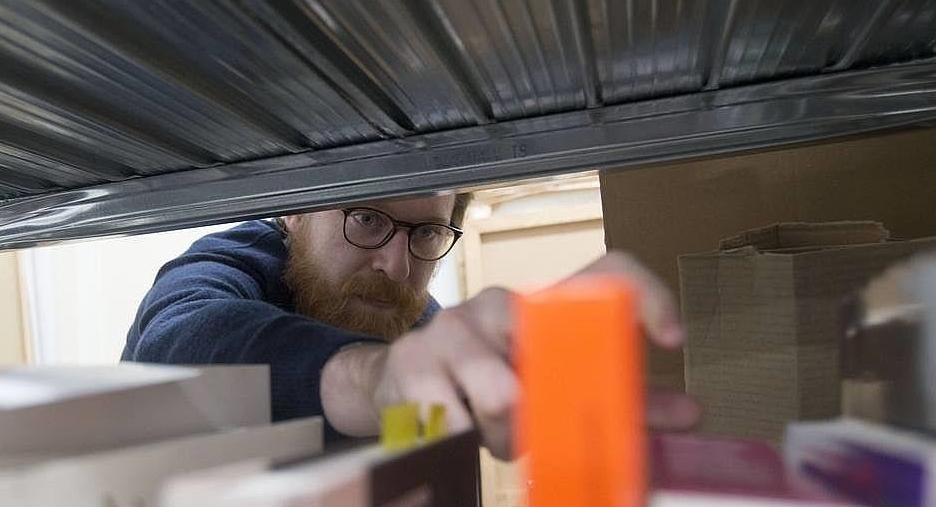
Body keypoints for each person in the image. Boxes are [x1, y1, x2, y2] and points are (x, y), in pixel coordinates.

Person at [121, 192, 698, 456]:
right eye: (368, 219)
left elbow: (402, 436)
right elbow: (179, 342)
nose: (395, 266)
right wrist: (376, 380)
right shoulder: (234, 265)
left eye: (424, 234)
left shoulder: (419, 325)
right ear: (294, 210)